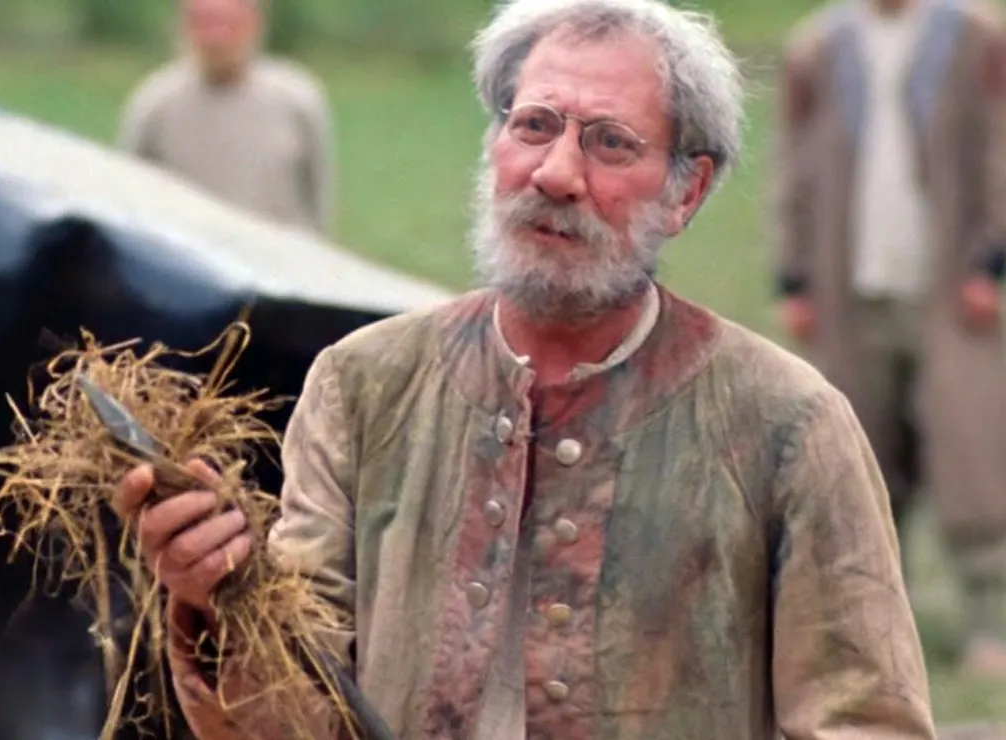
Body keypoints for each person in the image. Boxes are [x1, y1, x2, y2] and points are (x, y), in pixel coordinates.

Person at [115, 0, 938, 737]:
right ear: (495, 144)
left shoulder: (787, 424)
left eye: (610, 142)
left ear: (687, 191)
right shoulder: (364, 386)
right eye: (535, 125)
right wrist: (216, 597)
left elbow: (866, 721)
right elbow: (292, 717)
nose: (556, 174)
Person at [773, 0, 1006, 680]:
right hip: (849, 289)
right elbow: (793, 164)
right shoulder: (818, 46)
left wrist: (988, 260)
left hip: (947, 292)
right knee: (858, 458)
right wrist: (795, 275)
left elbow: (999, 148)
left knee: (970, 454)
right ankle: (865, 624)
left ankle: (988, 622)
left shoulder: (974, 37)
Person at [117, 0, 335, 235]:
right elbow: (129, 199)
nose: (215, 39)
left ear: (255, 24)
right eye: (202, 23)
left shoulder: (297, 100)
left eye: (228, 24)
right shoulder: (155, 104)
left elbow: (317, 203)